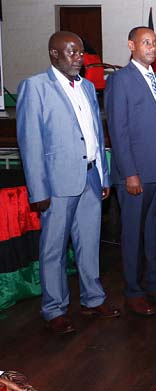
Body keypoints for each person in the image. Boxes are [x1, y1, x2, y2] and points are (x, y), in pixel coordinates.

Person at [16, 31, 120, 334]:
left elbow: (95, 136)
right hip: (56, 183)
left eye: (80, 53)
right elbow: (30, 142)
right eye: (72, 53)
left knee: (89, 244)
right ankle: (54, 309)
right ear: (54, 54)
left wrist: (102, 174)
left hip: (89, 177)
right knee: (54, 249)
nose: (78, 58)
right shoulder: (35, 88)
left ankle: (93, 298)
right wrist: (38, 190)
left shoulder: (87, 87)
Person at [105, 26, 156, 316]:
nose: (152, 47)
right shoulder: (120, 81)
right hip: (137, 175)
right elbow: (118, 130)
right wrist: (130, 173)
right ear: (131, 45)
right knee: (133, 234)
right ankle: (133, 291)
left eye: (155, 43)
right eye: (146, 42)